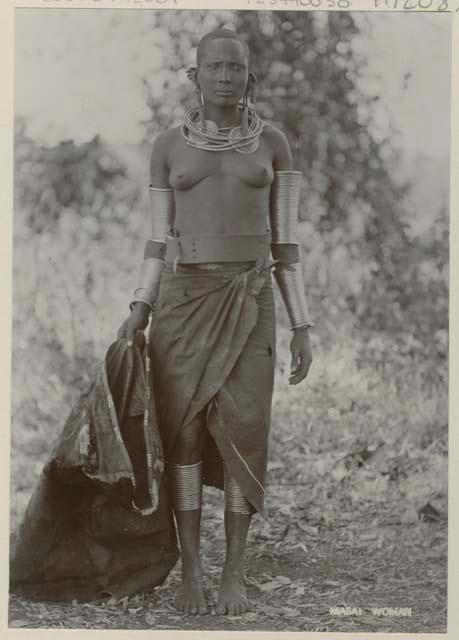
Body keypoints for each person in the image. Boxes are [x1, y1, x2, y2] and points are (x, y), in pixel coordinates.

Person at [117, 28, 313, 616]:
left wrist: (302, 324)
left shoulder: (273, 145)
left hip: (251, 298)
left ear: (249, 77)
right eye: (215, 66)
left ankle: (233, 572)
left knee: (245, 427)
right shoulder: (166, 146)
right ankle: (192, 572)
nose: (225, 75)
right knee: (184, 431)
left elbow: (287, 242)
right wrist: (140, 308)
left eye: (236, 67)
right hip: (182, 299)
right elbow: (157, 238)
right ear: (195, 76)